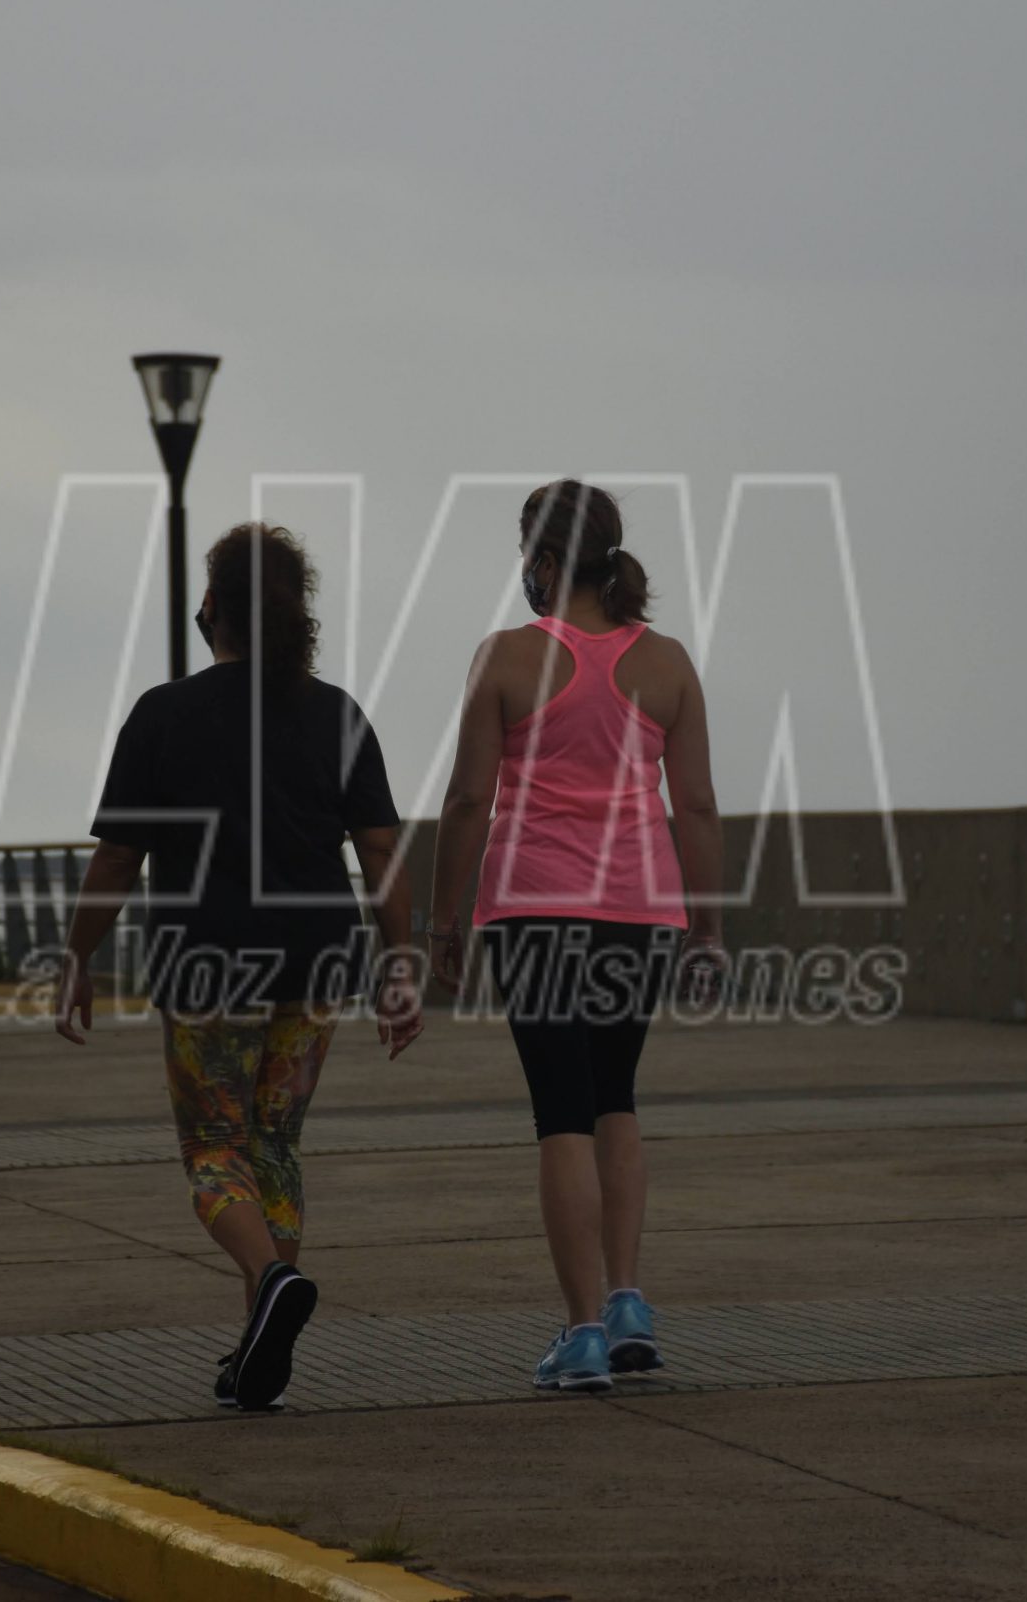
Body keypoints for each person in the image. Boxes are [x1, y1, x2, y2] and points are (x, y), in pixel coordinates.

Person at [55, 522, 421, 1413]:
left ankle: (270, 1283)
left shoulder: (165, 713)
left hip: (210, 960)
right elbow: (382, 852)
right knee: (274, 1146)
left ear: (210, 609)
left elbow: (115, 860)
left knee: (215, 1152)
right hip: (318, 960)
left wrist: (76, 957)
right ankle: (263, 1339)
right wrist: (401, 962)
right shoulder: (336, 713)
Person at [429, 479, 724, 1392]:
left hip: (537, 909)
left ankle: (583, 1330)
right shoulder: (666, 661)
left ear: (546, 561)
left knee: (560, 1113)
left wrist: (445, 922)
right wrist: (707, 927)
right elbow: (700, 805)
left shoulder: (509, 657)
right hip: (641, 912)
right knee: (616, 1101)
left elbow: (470, 799)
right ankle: (630, 1300)